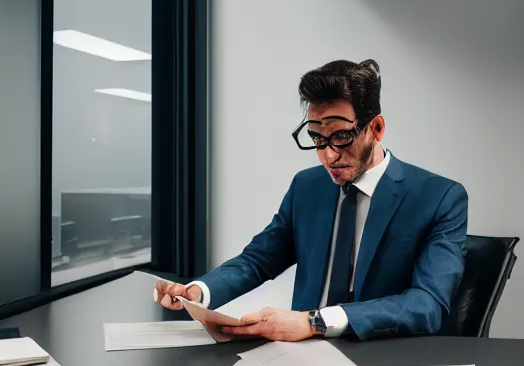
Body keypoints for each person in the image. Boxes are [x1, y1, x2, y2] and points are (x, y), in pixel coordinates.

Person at [154, 59, 468, 341]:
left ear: (377, 128)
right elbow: (258, 260)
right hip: (295, 357)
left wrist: (314, 322)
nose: (328, 155)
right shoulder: (307, 186)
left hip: (379, 360)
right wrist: (199, 291)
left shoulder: (439, 197)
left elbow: (428, 304)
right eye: (317, 138)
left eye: (341, 137)